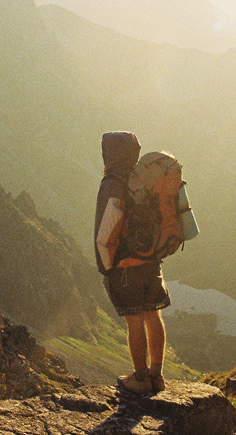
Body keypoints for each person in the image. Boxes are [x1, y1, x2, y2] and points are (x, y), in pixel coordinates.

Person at [94, 131, 171, 394]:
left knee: (135, 321)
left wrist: (106, 267)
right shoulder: (144, 179)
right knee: (153, 315)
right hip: (152, 261)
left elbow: (106, 230)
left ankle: (140, 379)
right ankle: (157, 376)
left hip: (126, 266)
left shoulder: (112, 184)